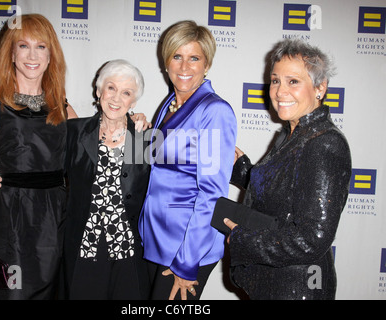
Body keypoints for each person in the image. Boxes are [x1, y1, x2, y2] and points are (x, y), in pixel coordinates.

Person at [224, 39, 352, 300]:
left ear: (320, 87)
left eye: (293, 81)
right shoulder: (291, 133)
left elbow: (311, 239)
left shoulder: (325, 143)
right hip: (274, 282)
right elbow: (286, 192)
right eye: (275, 81)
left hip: (297, 288)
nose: (280, 91)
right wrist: (244, 172)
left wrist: (241, 239)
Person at [0, 14, 76, 299]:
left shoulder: (62, 107)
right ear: (11, 54)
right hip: (8, 220)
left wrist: (130, 122)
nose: (32, 55)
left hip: (54, 223)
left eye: (41, 47)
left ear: (51, 56)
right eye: (23, 46)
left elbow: (94, 154)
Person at [138, 20, 237, 300]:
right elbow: (158, 165)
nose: (184, 67)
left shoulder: (214, 111)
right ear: (166, 61)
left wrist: (187, 262)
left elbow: (212, 193)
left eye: (194, 58)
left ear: (206, 64)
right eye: (177, 57)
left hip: (185, 245)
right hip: (156, 238)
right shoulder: (169, 105)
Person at [63, 59, 151, 299]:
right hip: (84, 246)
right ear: (99, 90)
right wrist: (3, 173)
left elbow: (171, 186)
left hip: (127, 249)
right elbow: (47, 172)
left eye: (126, 93)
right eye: (111, 88)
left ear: (133, 101)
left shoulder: (145, 140)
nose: (116, 98)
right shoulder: (75, 132)